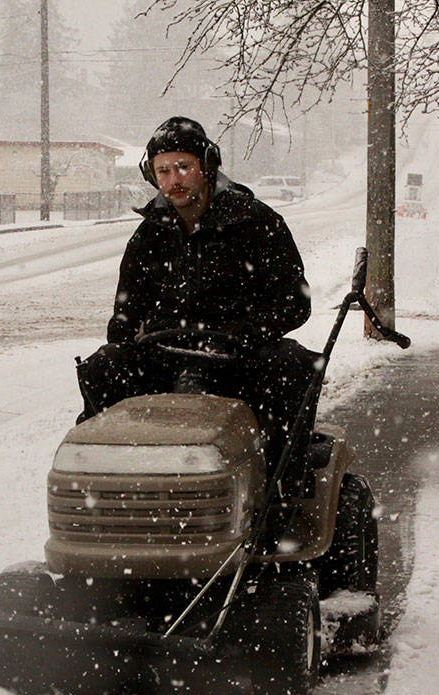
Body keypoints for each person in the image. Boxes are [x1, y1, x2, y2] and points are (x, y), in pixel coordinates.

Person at [75, 116, 318, 545]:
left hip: (240, 358)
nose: (174, 180)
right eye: (163, 171)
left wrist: (244, 333)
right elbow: (125, 315)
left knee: (293, 366)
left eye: (183, 167)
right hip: (165, 357)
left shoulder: (256, 222)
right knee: (104, 366)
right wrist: (130, 340)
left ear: (207, 165)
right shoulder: (150, 234)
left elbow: (294, 303)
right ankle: (104, 501)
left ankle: (278, 501)